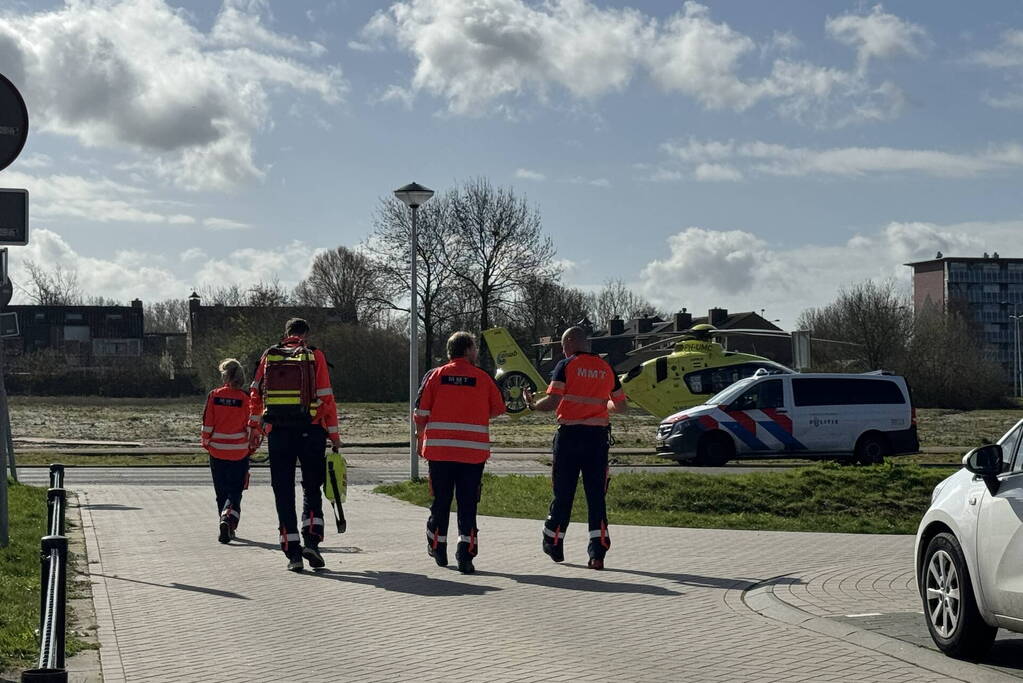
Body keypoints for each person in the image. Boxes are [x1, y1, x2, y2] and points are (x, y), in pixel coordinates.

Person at [523, 326, 627, 570]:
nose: (562, 349)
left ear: (570, 342)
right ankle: (597, 553)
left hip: (569, 437)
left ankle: (554, 542)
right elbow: (621, 406)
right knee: (596, 497)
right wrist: (603, 405)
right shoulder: (606, 368)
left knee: (563, 493)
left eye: (562, 344)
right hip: (597, 440)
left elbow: (552, 402)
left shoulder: (566, 366)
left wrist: (532, 406)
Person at [249, 318, 341, 572]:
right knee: (312, 488)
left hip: (278, 432)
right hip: (311, 431)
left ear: (286, 334)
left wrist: (259, 428)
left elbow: (255, 393)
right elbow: (326, 398)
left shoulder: (270, 355)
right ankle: (311, 540)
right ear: (306, 335)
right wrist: (334, 436)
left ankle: (293, 554)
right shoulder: (314, 355)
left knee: (283, 491)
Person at [414, 331, 506, 574]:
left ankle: (438, 547)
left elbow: (420, 412)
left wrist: (419, 437)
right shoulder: (483, 378)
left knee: (440, 501)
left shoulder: (435, 376)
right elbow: (498, 408)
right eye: (474, 348)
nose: (476, 352)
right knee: (467, 505)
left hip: (440, 452)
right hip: (473, 454)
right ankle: (465, 555)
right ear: (467, 350)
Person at [201, 358, 253, 544]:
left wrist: (206, 442)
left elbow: (208, 423)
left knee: (221, 491)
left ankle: (223, 522)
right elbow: (251, 426)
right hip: (239, 451)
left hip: (217, 450)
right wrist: (251, 446)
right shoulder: (246, 398)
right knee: (236, 490)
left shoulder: (214, 395)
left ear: (225, 376)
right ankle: (228, 520)